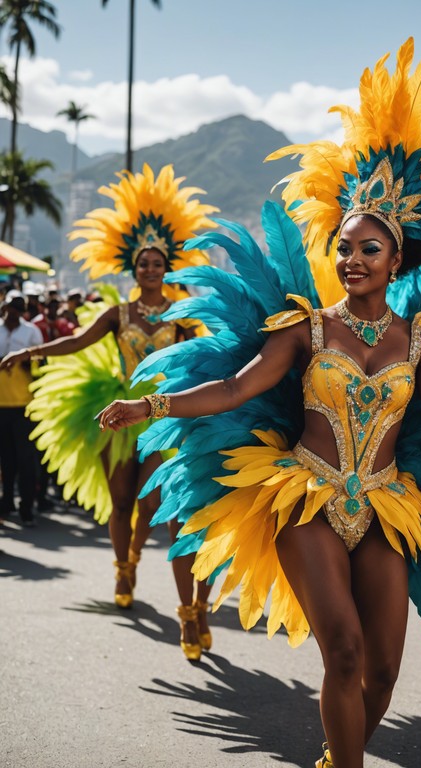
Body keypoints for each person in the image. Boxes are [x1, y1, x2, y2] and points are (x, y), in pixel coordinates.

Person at [97, 39, 421, 768]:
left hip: (385, 503)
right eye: (344, 247)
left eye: (369, 250)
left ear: (397, 259)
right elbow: (235, 386)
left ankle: (334, 755)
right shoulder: (307, 329)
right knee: (342, 654)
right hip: (306, 495)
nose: (352, 260)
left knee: (382, 673)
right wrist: (150, 405)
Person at [0, 165, 219, 661]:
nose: (149, 269)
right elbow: (75, 340)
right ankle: (125, 565)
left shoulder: (182, 315)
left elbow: (206, 358)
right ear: (133, 268)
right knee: (121, 502)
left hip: (163, 417)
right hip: (122, 413)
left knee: (160, 506)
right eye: (143, 263)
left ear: (167, 268)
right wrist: (29, 353)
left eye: (157, 263)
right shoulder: (117, 314)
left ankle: (172, 590)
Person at [0, 290, 44, 526]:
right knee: (6, 460)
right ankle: (6, 503)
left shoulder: (31, 332)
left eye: (19, 307)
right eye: (11, 306)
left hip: (25, 406)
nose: (13, 311)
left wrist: (25, 361)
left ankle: (27, 508)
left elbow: (43, 363)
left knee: (26, 460)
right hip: (1, 405)